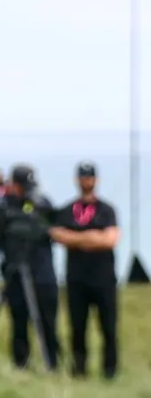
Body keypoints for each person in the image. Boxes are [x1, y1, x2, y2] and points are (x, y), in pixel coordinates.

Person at [0, 164, 61, 372]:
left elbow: (53, 231)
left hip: (42, 272)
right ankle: (21, 362)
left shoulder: (42, 204)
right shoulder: (3, 207)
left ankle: (52, 362)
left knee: (47, 319)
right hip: (15, 272)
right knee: (19, 320)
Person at [50, 161, 120, 379]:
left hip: (104, 278)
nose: (86, 181)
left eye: (89, 177)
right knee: (77, 327)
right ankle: (79, 370)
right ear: (77, 180)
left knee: (108, 327)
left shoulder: (106, 210)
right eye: (83, 177)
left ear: (96, 180)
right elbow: (58, 235)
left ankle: (110, 371)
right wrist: (92, 236)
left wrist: (76, 238)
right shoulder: (67, 210)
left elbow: (110, 239)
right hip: (76, 278)